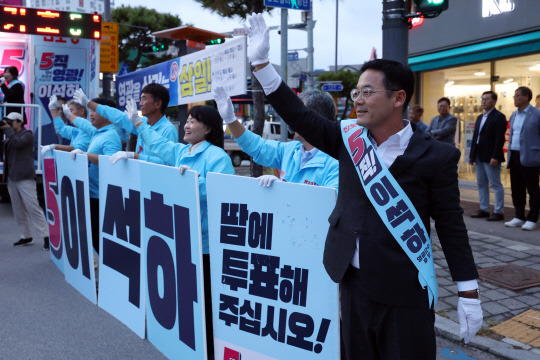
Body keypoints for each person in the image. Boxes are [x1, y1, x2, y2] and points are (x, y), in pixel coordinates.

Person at [243, 13, 482, 360]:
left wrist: (468, 292)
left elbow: (451, 227)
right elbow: (298, 114)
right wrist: (263, 65)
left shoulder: (438, 156)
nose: (358, 99)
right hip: (351, 282)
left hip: (404, 292)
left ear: (398, 98)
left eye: (368, 92)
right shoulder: (347, 138)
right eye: (357, 91)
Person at [114, 100, 234, 357]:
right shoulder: (182, 152)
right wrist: (137, 125)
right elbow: (158, 145)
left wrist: (191, 183)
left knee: (206, 306)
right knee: (186, 303)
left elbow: (222, 192)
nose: (187, 124)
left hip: (205, 245)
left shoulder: (217, 157)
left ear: (209, 128)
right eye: (187, 119)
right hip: (179, 240)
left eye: (194, 120)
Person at [214, 86, 339, 190]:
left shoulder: (337, 163)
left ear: (316, 117)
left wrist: (282, 190)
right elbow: (256, 146)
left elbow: (327, 206)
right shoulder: (291, 150)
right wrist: (231, 119)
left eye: (298, 114)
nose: (293, 119)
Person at [64, 98, 122, 252]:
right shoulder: (97, 132)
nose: (91, 114)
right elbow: (81, 122)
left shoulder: (110, 136)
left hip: (100, 197)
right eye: (90, 110)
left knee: (99, 240)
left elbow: (112, 164)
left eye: (95, 110)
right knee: (94, 239)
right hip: (91, 193)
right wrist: (65, 114)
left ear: (107, 113)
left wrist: (86, 155)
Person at [73, 83, 178, 164]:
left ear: (158, 103)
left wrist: (135, 156)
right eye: (140, 99)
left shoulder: (168, 129)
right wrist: (89, 104)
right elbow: (118, 116)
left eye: (144, 99)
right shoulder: (143, 123)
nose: (140, 104)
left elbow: (167, 164)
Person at [0, 112, 49, 249]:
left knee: (33, 207)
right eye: (7, 122)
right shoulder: (10, 137)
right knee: (18, 209)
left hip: (25, 177)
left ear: (20, 122)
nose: (9, 124)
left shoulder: (27, 134)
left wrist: (8, 130)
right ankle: (25, 236)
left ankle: (45, 236)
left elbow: (18, 144)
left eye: (11, 122)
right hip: (12, 177)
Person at [504, 86, 540, 231]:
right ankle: (519, 216)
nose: (515, 98)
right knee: (517, 188)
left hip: (531, 156)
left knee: (532, 189)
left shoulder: (536, 114)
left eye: (517, 95)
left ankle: (532, 218)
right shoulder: (514, 115)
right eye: (514, 95)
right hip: (514, 155)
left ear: (526, 97)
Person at [468, 91, 507, 221]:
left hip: (491, 156)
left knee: (495, 184)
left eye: (487, 99)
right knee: (481, 183)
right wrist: (471, 155)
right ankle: (484, 209)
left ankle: (498, 211)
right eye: (482, 99)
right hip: (479, 155)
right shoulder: (480, 117)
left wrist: (495, 156)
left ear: (494, 101)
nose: (483, 101)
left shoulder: (499, 117)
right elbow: (475, 138)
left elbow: (499, 139)